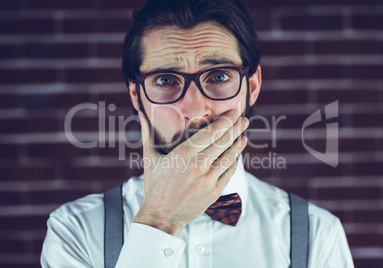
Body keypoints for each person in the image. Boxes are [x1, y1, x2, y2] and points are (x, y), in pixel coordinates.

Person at [41, 0, 355, 267]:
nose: (195, 110)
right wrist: (159, 221)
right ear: (136, 96)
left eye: (219, 75)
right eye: (165, 80)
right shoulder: (75, 230)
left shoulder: (318, 235)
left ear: (253, 86)